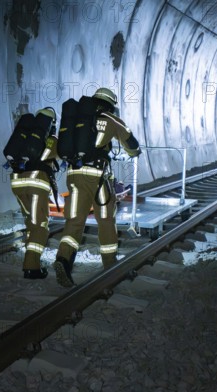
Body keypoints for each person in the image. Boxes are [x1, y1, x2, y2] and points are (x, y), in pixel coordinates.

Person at [53, 88, 141, 287]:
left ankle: (63, 260)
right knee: (106, 219)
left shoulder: (76, 119)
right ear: (110, 104)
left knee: (75, 221)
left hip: (74, 176)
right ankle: (110, 265)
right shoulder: (110, 119)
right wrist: (135, 152)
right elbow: (130, 142)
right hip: (97, 178)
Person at [9, 107, 59, 280]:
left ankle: (32, 261)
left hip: (17, 181)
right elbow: (56, 153)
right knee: (40, 226)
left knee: (31, 223)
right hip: (36, 182)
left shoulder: (24, 138)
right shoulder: (50, 138)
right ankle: (31, 267)